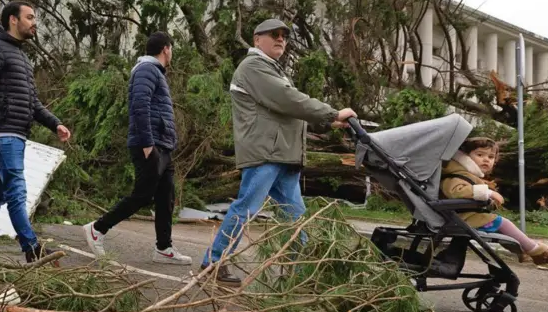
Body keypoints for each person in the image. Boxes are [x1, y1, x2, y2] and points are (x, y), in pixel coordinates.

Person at [201, 18, 357, 286]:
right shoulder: (253, 67)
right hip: (265, 154)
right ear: (256, 39)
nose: (281, 39)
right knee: (246, 208)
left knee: (295, 216)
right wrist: (331, 112)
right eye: (273, 34)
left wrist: (328, 120)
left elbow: (289, 106)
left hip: (283, 155)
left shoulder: (273, 70)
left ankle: (297, 272)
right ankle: (213, 262)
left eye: (284, 36)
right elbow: (288, 100)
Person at [0, 1, 72, 262]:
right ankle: (31, 247)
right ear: (13, 20)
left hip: (16, 133)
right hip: (2, 132)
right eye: (30, 17)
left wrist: (55, 123)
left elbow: (32, 102)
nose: (35, 23)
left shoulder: (21, 57)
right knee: (17, 189)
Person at [82, 32, 191, 264]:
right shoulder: (146, 70)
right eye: (171, 49)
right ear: (166, 49)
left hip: (163, 146)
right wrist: (147, 143)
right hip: (150, 145)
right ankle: (97, 229)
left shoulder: (155, 73)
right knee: (142, 195)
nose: (172, 53)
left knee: (166, 197)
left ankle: (164, 248)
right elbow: (140, 107)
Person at [442, 137, 548, 265]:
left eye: (491, 157)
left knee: (500, 228)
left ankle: (525, 251)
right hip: (459, 219)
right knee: (502, 223)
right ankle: (537, 252)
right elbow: (456, 191)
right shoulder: (457, 175)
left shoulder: (468, 175)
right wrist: (488, 193)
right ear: (465, 157)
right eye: (480, 154)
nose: (486, 159)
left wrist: (489, 202)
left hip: (463, 217)